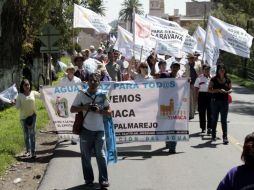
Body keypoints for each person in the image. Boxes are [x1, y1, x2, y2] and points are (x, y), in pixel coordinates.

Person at [70, 73, 111, 188]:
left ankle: (103, 180)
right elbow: (72, 109)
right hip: (85, 130)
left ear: (99, 83)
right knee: (86, 156)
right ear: (87, 82)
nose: (93, 82)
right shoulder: (81, 94)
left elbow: (109, 112)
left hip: (99, 130)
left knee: (101, 155)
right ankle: (88, 179)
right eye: (91, 80)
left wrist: (99, 111)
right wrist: (84, 107)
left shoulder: (103, 95)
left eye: (95, 81)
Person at [15, 79, 40, 158]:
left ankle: (33, 152)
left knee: (32, 134)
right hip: (23, 118)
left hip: (32, 116)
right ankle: (28, 150)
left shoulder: (33, 93)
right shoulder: (20, 95)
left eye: (28, 84)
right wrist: (15, 102)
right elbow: (17, 107)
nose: (27, 86)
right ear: (22, 86)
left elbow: (42, 96)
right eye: (25, 85)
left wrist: (43, 90)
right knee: (26, 135)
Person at [160, 61, 181, 153]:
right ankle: (168, 141)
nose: (175, 69)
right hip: (164, 103)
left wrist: (187, 82)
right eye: (174, 67)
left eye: (177, 67)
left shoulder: (180, 79)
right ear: (171, 67)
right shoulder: (165, 75)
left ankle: (173, 146)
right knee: (165, 124)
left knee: (172, 125)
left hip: (174, 105)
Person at [208, 64, 232, 144]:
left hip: (225, 102)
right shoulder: (213, 79)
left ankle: (225, 137)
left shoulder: (228, 79)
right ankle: (213, 136)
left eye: (223, 69)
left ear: (225, 70)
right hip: (215, 102)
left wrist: (229, 91)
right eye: (220, 69)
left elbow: (230, 88)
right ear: (218, 70)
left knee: (223, 120)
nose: (222, 70)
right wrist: (218, 90)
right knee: (214, 119)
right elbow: (209, 90)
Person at [60, 65, 81, 145]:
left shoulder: (78, 80)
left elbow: (80, 91)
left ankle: (74, 138)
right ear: (67, 71)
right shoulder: (62, 81)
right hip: (65, 102)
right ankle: (67, 136)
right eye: (69, 69)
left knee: (75, 120)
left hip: (75, 102)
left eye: (72, 69)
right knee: (67, 120)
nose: (71, 71)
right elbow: (59, 92)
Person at [194, 64, 212, 134]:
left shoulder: (212, 78)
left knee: (210, 112)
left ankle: (209, 127)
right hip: (201, 95)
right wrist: (196, 97)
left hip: (210, 95)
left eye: (208, 69)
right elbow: (196, 88)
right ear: (203, 70)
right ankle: (203, 128)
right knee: (202, 112)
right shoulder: (199, 78)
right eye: (206, 69)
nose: (207, 71)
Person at [183, 53, 201, 120]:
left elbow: (200, 73)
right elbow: (184, 73)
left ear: (193, 58)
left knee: (194, 99)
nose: (190, 59)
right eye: (189, 58)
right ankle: (190, 114)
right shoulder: (186, 65)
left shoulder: (198, 64)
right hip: (188, 84)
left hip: (196, 84)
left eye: (191, 58)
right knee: (189, 99)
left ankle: (192, 113)